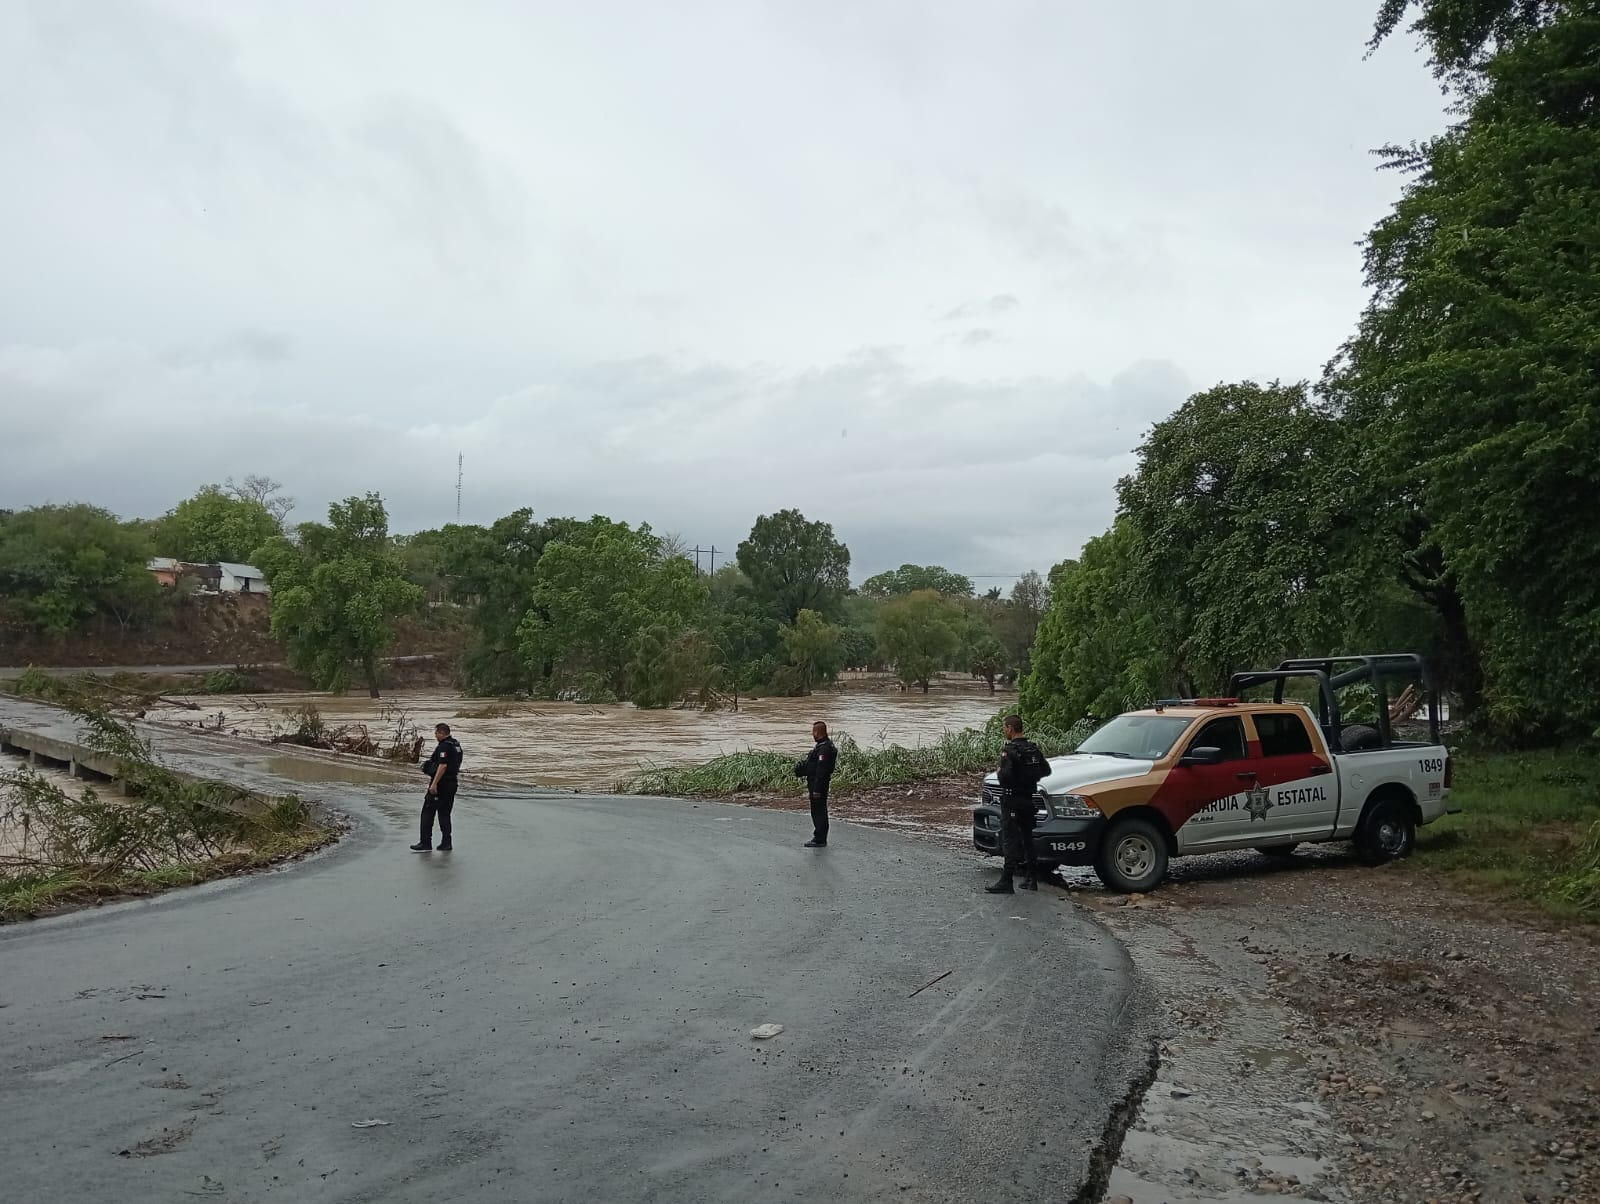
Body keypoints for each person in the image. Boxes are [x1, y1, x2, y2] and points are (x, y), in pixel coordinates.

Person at [985, 715, 1048, 894]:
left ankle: (1006, 881)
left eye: (1005, 728)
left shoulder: (1010, 750)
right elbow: (1045, 770)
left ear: (1010, 729)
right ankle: (1032, 879)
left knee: (1010, 840)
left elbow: (1005, 777)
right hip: (1029, 799)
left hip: (1012, 800)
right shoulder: (1033, 749)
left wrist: (1000, 772)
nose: (1004, 731)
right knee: (1028, 838)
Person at [411, 723, 463, 852]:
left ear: (441, 733)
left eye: (436, 733)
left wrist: (434, 784)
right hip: (452, 783)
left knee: (427, 812)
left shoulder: (444, 746)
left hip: (442, 784)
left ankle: (425, 842)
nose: (435, 736)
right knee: (445, 813)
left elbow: (443, 766)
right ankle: (446, 842)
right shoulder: (456, 745)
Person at [793, 720, 837, 848]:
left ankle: (820, 838)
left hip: (819, 786)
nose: (813, 734)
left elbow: (821, 771)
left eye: (813, 732)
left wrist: (817, 789)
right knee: (817, 810)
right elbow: (814, 767)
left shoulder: (824, 749)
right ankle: (819, 837)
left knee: (819, 812)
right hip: (815, 783)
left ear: (817, 732)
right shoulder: (821, 746)